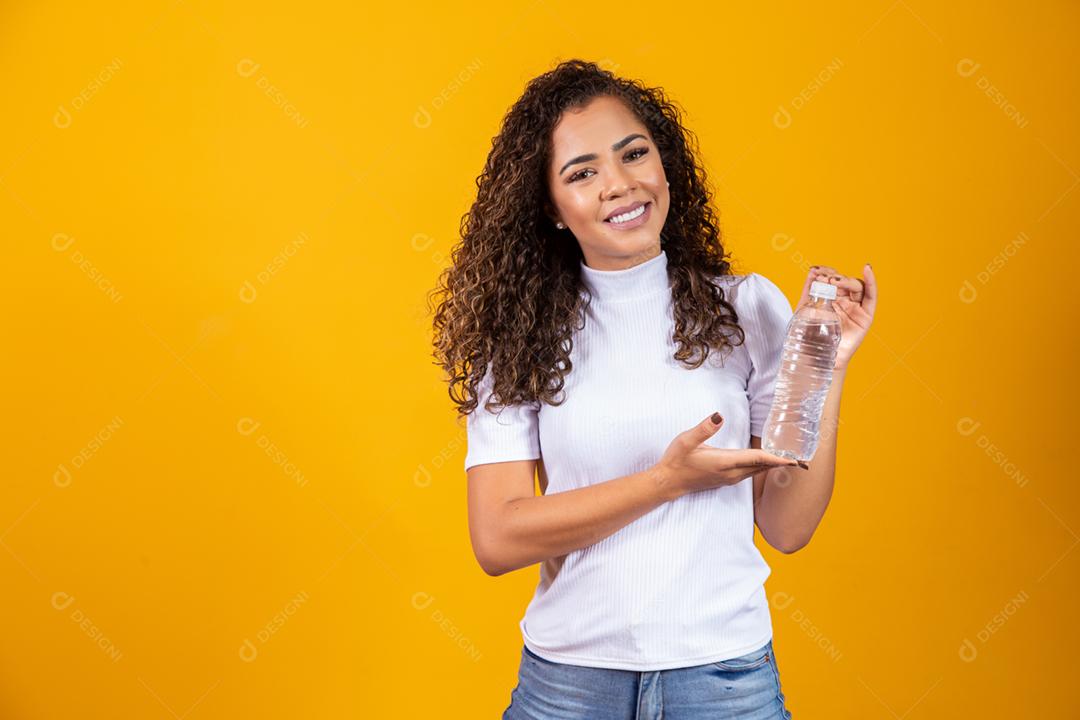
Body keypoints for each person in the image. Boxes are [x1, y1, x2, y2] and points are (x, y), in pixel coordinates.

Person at [429, 59, 877, 719]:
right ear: (551, 208)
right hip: (570, 688)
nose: (618, 184)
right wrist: (666, 480)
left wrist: (823, 368)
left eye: (633, 154)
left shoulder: (748, 309)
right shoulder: (519, 337)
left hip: (725, 685)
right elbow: (497, 538)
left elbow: (786, 526)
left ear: (665, 166)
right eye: (582, 173)